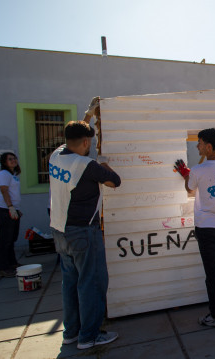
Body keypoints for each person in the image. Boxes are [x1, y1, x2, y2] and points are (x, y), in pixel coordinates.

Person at [49, 97, 122, 349]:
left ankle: (71, 332)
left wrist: (88, 115)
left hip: (59, 231)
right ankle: (90, 336)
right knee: (91, 283)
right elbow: (115, 181)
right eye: (89, 140)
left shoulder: (56, 155)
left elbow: (77, 134)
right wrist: (106, 166)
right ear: (86, 142)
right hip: (83, 232)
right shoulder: (87, 165)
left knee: (70, 282)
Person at [176, 128, 215, 328]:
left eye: (200, 143)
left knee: (212, 273)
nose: (197, 146)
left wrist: (185, 173)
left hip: (206, 228)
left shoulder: (198, 170)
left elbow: (189, 188)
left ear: (209, 146)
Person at [0, 152, 23, 277]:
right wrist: (10, 207)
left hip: (12, 209)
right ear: (4, 162)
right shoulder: (3, 174)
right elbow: (4, 191)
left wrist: (16, 209)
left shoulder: (13, 174)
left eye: (14, 158)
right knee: (5, 240)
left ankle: (12, 263)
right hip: (4, 210)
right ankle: (3, 267)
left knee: (11, 239)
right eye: (10, 159)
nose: (13, 161)